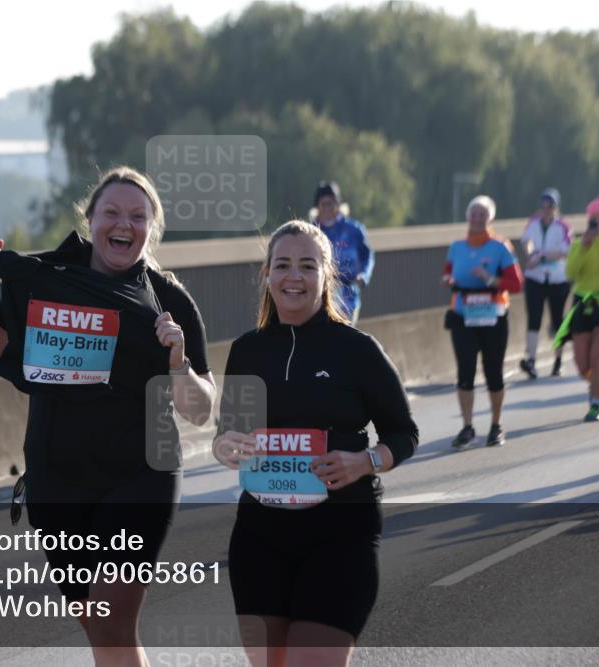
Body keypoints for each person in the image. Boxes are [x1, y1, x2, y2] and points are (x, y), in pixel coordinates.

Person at [0, 166, 217, 665]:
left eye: (137, 216)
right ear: (90, 219)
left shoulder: (169, 300)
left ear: (151, 229)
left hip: (140, 478)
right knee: (103, 634)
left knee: (112, 622)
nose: (124, 224)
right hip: (58, 482)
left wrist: (178, 361)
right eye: (111, 212)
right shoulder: (50, 284)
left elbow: (200, 411)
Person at [212, 220, 418, 667]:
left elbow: (404, 433)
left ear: (326, 275)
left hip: (341, 535)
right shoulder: (247, 350)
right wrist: (224, 447)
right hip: (260, 538)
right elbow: (229, 431)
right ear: (267, 274)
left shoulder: (357, 349)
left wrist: (365, 460)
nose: (294, 277)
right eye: (283, 265)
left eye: (307, 266)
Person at [441, 195, 524, 449]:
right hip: (463, 314)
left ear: (491, 218)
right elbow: (448, 272)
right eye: (473, 214)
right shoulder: (456, 247)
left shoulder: (501, 247)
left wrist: (489, 279)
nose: (477, 219)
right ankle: (467, 427)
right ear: (467, 217)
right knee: (465, 371)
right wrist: (448, 280)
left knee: (493, 371)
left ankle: (496, 425)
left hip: (493, 315)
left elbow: (516, 284)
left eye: (482, 214)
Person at [561, 197, 599, 422]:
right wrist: (584, 247)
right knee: (583, 364)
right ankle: (596, 384)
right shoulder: (578, 243)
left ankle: (595, 403)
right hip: (582, 303)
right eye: (593, 218)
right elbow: (570, 272)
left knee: (597, 358)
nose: (597, 222)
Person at [519, 187, 572, 379]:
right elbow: (526, 241)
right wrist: (530, 254)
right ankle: (531, 360)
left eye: (550, 206)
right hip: (535, 277)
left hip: (557, 278)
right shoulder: (533, 222)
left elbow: (564, 251)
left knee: (557, 320)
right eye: (543, 206)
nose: (546, 210)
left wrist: (541, 257)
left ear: (556, 207)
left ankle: (558, 360)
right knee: (534, 317)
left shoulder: (563, 226)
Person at [310, 181, 374, 325]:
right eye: (324, 204)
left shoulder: (354, 230)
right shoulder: (310, 231)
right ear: (317, 206)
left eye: (331, 203)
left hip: (348, 300)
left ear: (338, 204)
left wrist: (364, 275)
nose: (328, 208)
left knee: (345, 336)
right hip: (319, 300)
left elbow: (367, 255)